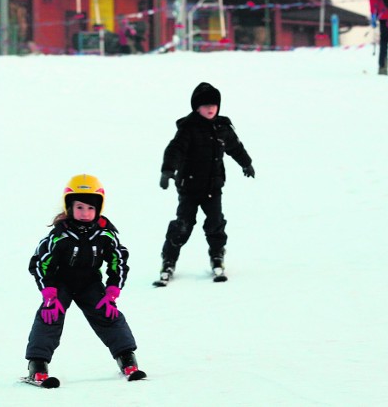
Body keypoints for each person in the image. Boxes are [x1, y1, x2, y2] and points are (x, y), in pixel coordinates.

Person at [24, 174, 146, 382]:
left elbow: (119, 260)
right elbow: (39, 262)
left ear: (98, 209)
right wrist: (48, 289)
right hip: (60, 283)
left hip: (89, 283)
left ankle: (127, 359)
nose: (84, 213)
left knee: (108, 314)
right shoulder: (59, 236)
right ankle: (38, 364)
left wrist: (113, 287)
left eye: (90, 208)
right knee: (49, 316)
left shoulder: (105, 234)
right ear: (69, 207)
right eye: (79, 207)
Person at [158, 82, 254, 282]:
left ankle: (217, 256)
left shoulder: (223, 127)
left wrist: (246, 163)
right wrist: (167, 170)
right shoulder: (188, 128)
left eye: (213, 105)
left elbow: (235, 147)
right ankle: (169, 260)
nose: (210, 109)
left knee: (215, 224)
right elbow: (175, 149)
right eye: (205, 105)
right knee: (182, 226)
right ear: (196, 107)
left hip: (213, 187)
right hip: (189, 188)